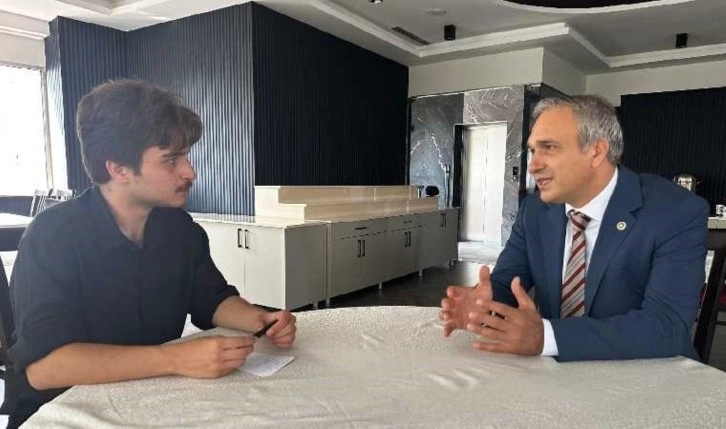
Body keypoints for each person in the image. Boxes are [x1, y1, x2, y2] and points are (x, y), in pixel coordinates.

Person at [5, 80, 297, 427]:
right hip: (62, 414)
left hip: (152, 402)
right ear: (118, 169)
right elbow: (45, 368)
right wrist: (173, 359)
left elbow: (212, 299)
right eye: (171, 160)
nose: (190, 172)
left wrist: (260, 320)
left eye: (185, 156)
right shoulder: (52, 236)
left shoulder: (179, 228)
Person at [440, 95, 708, 362]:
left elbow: (667, 325)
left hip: (646, 373)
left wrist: (548, 337)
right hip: (551, 374)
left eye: (549, 147)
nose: (533, 166)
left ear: (596, 152)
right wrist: (486, 303)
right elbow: (508, 283)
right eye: (533, 151)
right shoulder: (534, 210)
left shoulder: (676, 211)